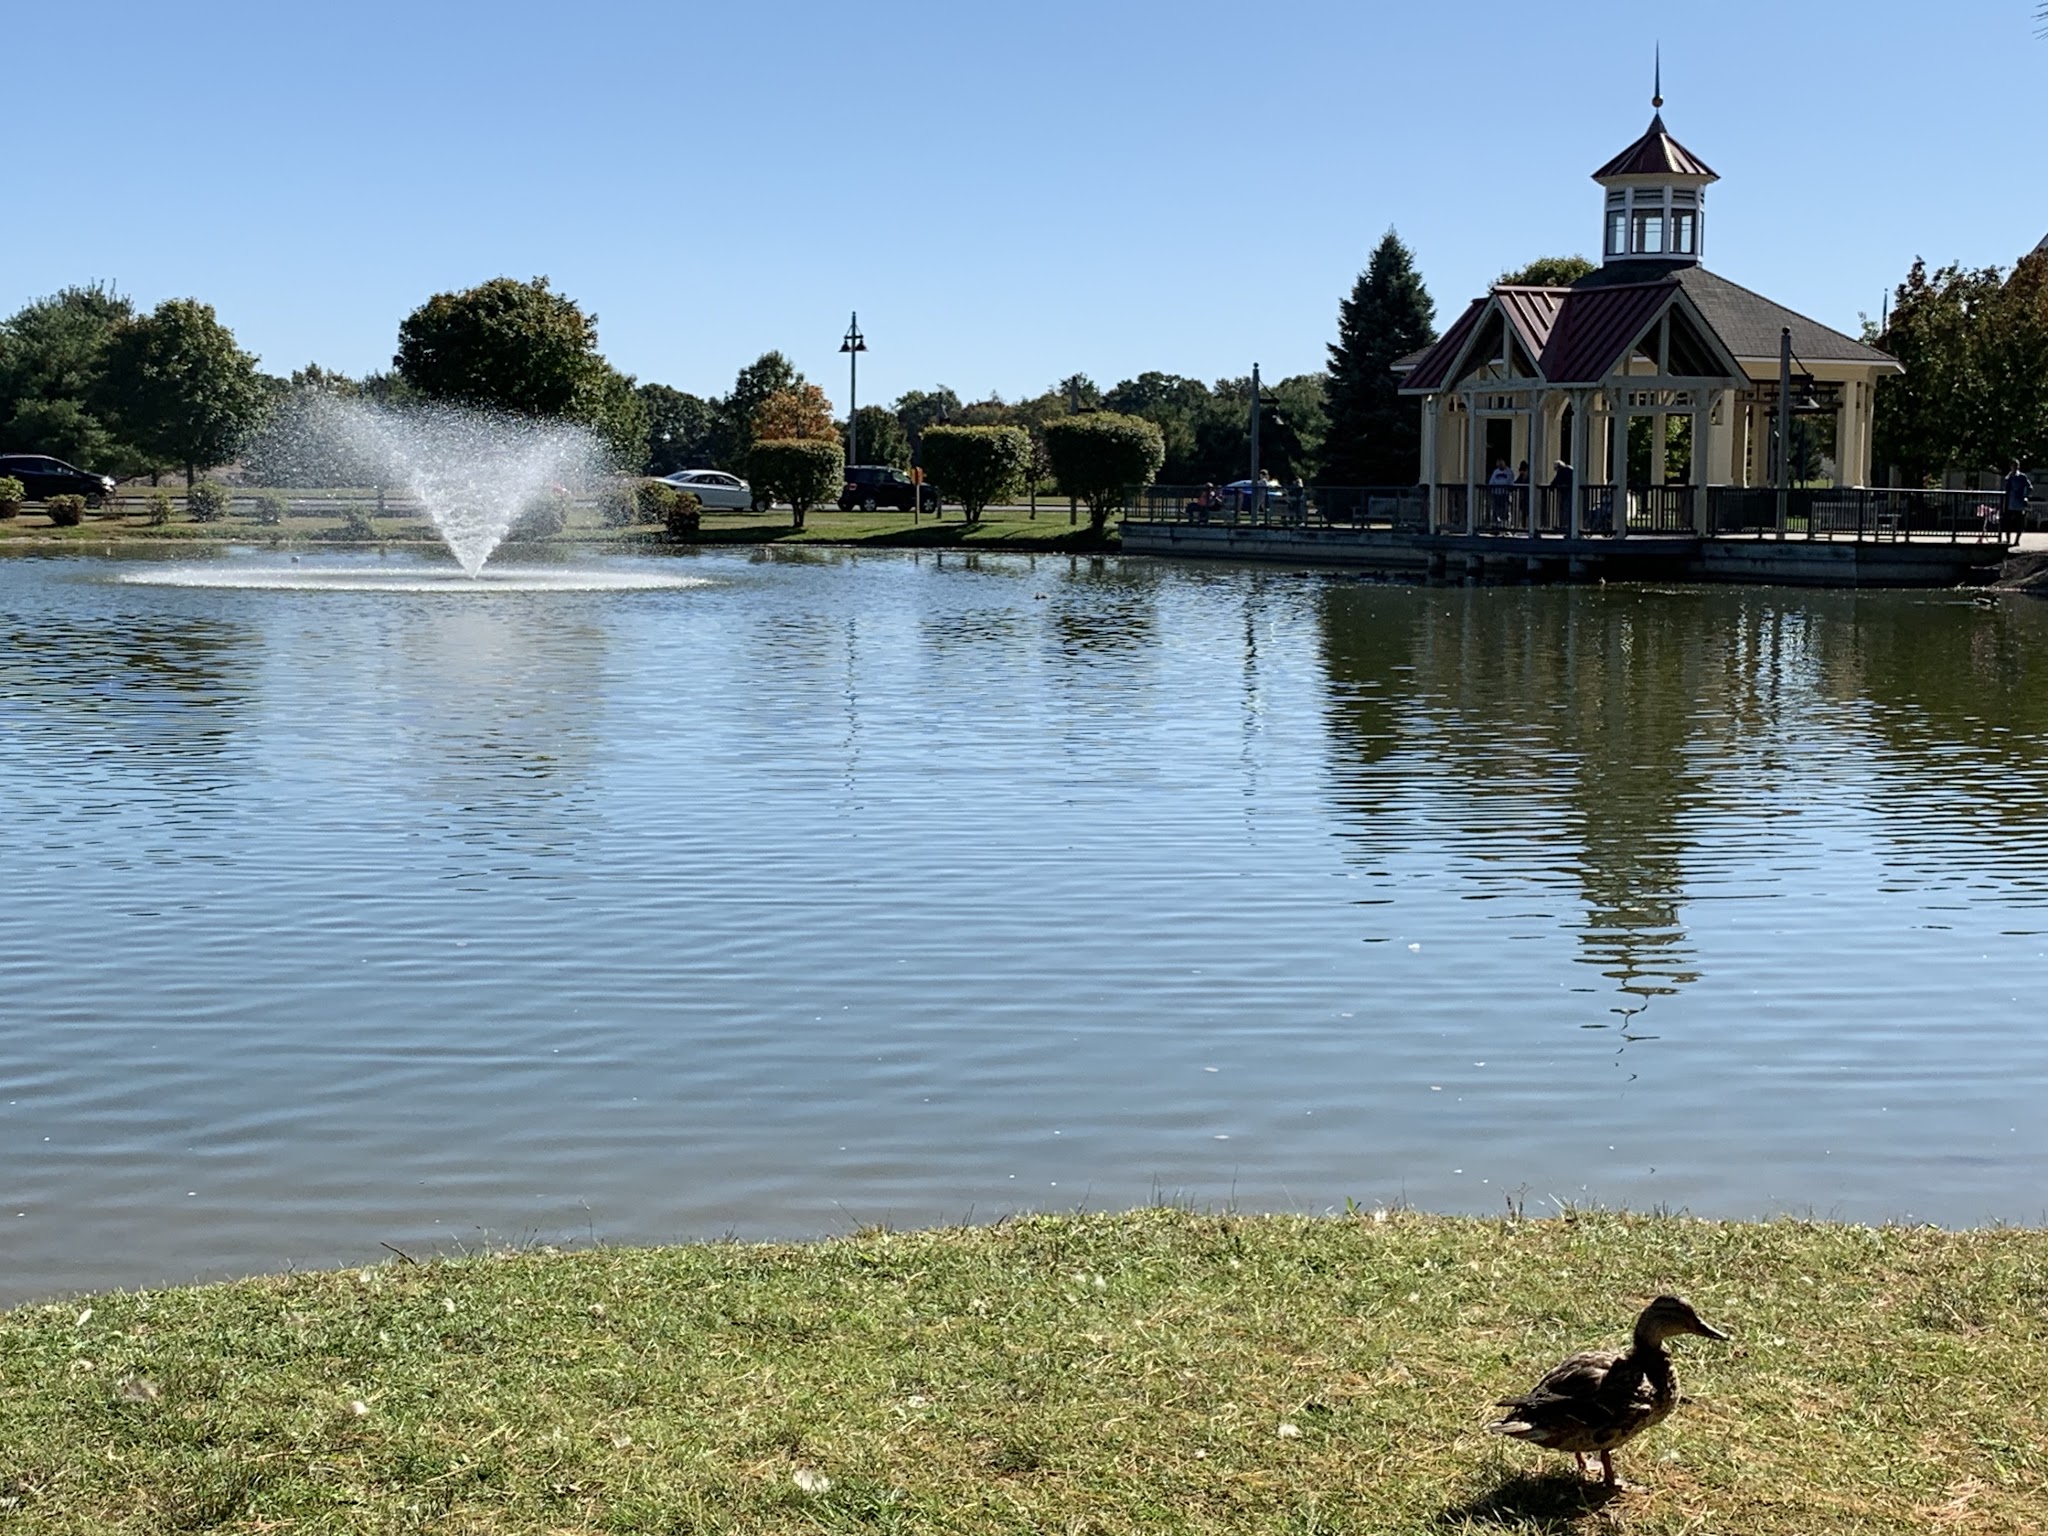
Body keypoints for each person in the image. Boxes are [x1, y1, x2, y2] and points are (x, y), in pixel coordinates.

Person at [2004, 460, 2033, 537]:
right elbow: (2005, 487)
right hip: (2010, 503)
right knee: (2007, 523)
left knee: (2020, 523)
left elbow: (2030, 487)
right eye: (2012, 466)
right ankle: (2008, 539)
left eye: (2015, 466)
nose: (2014, 468)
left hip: (2019, 503)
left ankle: (2017, 540)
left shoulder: (2022, 476)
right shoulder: (2009, 476)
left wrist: (2025, 496)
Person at [1488, 459, 1514, 525]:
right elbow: (1491, 482)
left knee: (1504, 510)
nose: (1500, 465)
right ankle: (1495, 524)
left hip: (1504, 494)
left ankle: (1504, 524)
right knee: (1495, 510)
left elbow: (1510, 483)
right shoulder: (1495, 472)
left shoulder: (1509, 472)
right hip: (1496, 494)